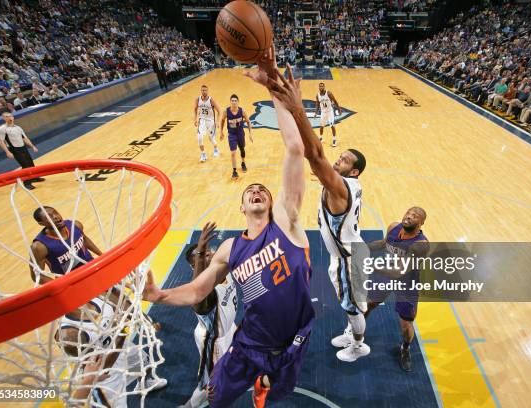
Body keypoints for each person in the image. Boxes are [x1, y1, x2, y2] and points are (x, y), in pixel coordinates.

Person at [144, 48, 314, 408]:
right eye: (250, 191)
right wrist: (158, 295)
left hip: (292, 341)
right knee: (215, 398)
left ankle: (265, 383)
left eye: (262, 190)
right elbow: (195, 292)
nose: (256, 190)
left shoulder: (287, 222)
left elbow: (295, 149)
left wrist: (273, 86)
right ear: (242, 206)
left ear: (272, 203)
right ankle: (253, 380)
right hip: (247, 344)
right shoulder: (229, 249)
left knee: (273, 396)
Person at [270, 65, 369, 362]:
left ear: (354, 171)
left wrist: (297, 109)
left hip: (349, 258)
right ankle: (353, 332)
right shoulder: (346, 184)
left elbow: (314, 154)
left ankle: (358, 344)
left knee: (352, 307)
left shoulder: (341, 188)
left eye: (345, 160)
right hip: (346, 253)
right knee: (348, 303)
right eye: (339, 156)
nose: (338, 160)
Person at [180, 222, 237, 408]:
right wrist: (200, 252)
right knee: (211, 386)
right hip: (214, 340)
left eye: (208, 250)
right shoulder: (203, 291)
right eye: (203, 255)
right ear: (195, 264)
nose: (210, 253)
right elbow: (198, 295)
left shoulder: (223, 267)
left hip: (230, 328)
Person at [364, 207, 429, 372]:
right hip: (385, 275)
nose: (409, 216)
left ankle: (405, 348)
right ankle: (355, 332)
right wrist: (365, 247)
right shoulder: (393, 227)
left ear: (421, 224)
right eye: (408, 212)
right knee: (368, 304)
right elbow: (384, 243)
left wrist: (373, 266)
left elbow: (399, 271)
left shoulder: (420, 245)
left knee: (406, 324)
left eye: (415, 216)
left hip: (406, 283)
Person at [30, 206, 102, 282]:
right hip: (72, 282)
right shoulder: (39, 246)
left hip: (91, 268)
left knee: (114, 289)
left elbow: (84, 239)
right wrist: (59, 286)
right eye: (49, 217)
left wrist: (101, 255)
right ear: (41, 223)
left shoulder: (75, 225)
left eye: (55, 212)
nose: (55, 217)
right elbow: (36, 276)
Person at [0, 112, 42, 189]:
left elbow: (24, 138)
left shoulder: (18, 127)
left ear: (13, 117)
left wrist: (32, 146)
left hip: (23, 147)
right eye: (7, 116)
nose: (9, 117)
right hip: (14, 149)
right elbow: (1, 141)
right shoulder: (2, 129)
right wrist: (7, 152)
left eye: (10, 116)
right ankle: (27, 183)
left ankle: (34, 177)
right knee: (25, 165)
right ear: (4, 118)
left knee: (30, 163)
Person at [220, 95, 253, 180]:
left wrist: (250, 134)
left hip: (240, 133)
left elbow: (249, 122)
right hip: (232, 134)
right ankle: (234, 171)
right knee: (233, 153)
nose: (234, 102)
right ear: (230, 102)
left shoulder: (242, 111)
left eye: (235, 101)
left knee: (242, 149)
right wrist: (221, 132)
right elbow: (222, 120)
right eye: (232, 100)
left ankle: (243, 163)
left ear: (238, 102)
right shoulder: (226, 112)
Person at [194, 85, 220, 163]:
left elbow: (219, 111)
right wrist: (196, 118)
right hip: (202, 121)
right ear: (201, 91)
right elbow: (195, 109)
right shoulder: (198, 99)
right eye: (202, 90)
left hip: (211, 122)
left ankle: (216, 149)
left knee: (211, 138)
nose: (204, 92)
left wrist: (217, 121)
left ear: (207, 91)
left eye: (205, 90)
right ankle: (203, 154)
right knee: (199, 138)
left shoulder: (211, 100)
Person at [315, 82, 342, 147]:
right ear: (319, 87)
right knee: (321, 126)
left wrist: (339, 109)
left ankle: (334, 139)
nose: (321, 87)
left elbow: (335, 101)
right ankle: (321, 138)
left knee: (332, 126)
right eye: (320, 86)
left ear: (324, 87)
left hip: (330, 112)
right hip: (323, 113)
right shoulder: (317, 95)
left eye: (322, 86)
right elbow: (317, 104)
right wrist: (316, 112)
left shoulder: (328, 93)